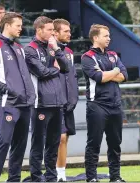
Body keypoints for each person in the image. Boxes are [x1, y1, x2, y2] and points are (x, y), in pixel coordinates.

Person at [0, 12, 35, 182]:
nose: (21, 28)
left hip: (25, 104)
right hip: (8, 103)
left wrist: (30, 95)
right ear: (7, 25)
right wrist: (9, 91)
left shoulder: (19, 48)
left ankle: (14, 180)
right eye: (18, 25)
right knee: (4, 142)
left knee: (20, 146)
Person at [24, 16, 69, 182]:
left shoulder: (52, 47)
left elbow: (66, 68)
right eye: (49, 30)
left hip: (57, 103)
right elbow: (41, 72)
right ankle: (36, 177)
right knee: (38, 143)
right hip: (40, 103)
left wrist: (57, 49)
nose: (52, 33)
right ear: (39, 30)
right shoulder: (29, 49)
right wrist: (55, 69)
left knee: (53, 143)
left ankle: (51, 176)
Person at [81, 24, 128, 182]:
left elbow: (124, 75)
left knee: (115, 144)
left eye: (109, 36)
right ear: (95, 38)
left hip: (115, 105)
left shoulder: (113, 54)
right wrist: (115, 71)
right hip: (97, 106)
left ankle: (115, 177)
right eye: (106, 36)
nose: (109, 38)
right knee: (94, 144)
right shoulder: (87, 57)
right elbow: (99, 78)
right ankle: (92, 178)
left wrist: (109, 73)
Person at [53, 19, 79, 182]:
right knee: (59, 137)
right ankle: (53, 173)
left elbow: (72, 76)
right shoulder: (48, 50)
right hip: (53, 102)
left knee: (65, 138)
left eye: (69, 31)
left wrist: (73, 97)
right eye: (66, 31)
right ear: (55, 33)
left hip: (68, 102)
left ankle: (61, 174)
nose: (69, 34)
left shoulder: (69, 51)